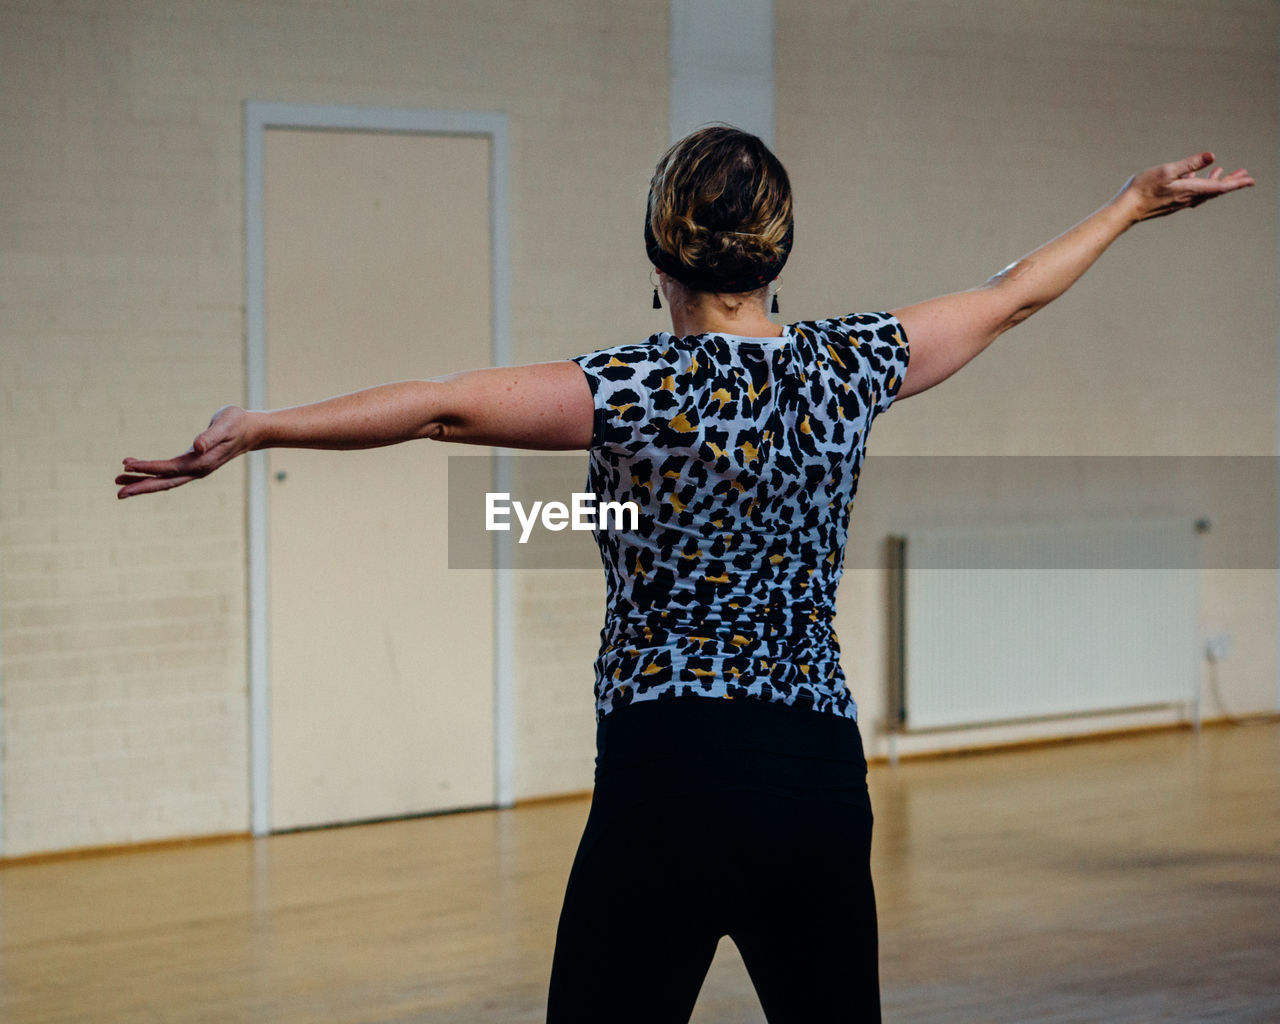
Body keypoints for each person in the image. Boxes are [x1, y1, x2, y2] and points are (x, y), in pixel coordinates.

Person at [116, 127, 1251, 1023]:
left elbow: (437, 405)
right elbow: (1008, 294)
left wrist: (261, 427)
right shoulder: (846, 365)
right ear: (778, 251)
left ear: (658, 252)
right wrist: (1129, 205)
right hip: (811, 776)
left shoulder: (629, 386)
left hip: (669, 774)